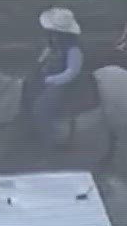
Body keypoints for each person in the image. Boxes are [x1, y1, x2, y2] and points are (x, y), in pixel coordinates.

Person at [31, 8, 86, 151]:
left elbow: (72, 72)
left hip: (61, 82)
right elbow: (41, 63)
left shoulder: (73, 50)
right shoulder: (52, 47)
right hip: (46, 79)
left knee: (41, 107)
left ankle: (50, 142)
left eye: (52, 32)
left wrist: (51, 79)